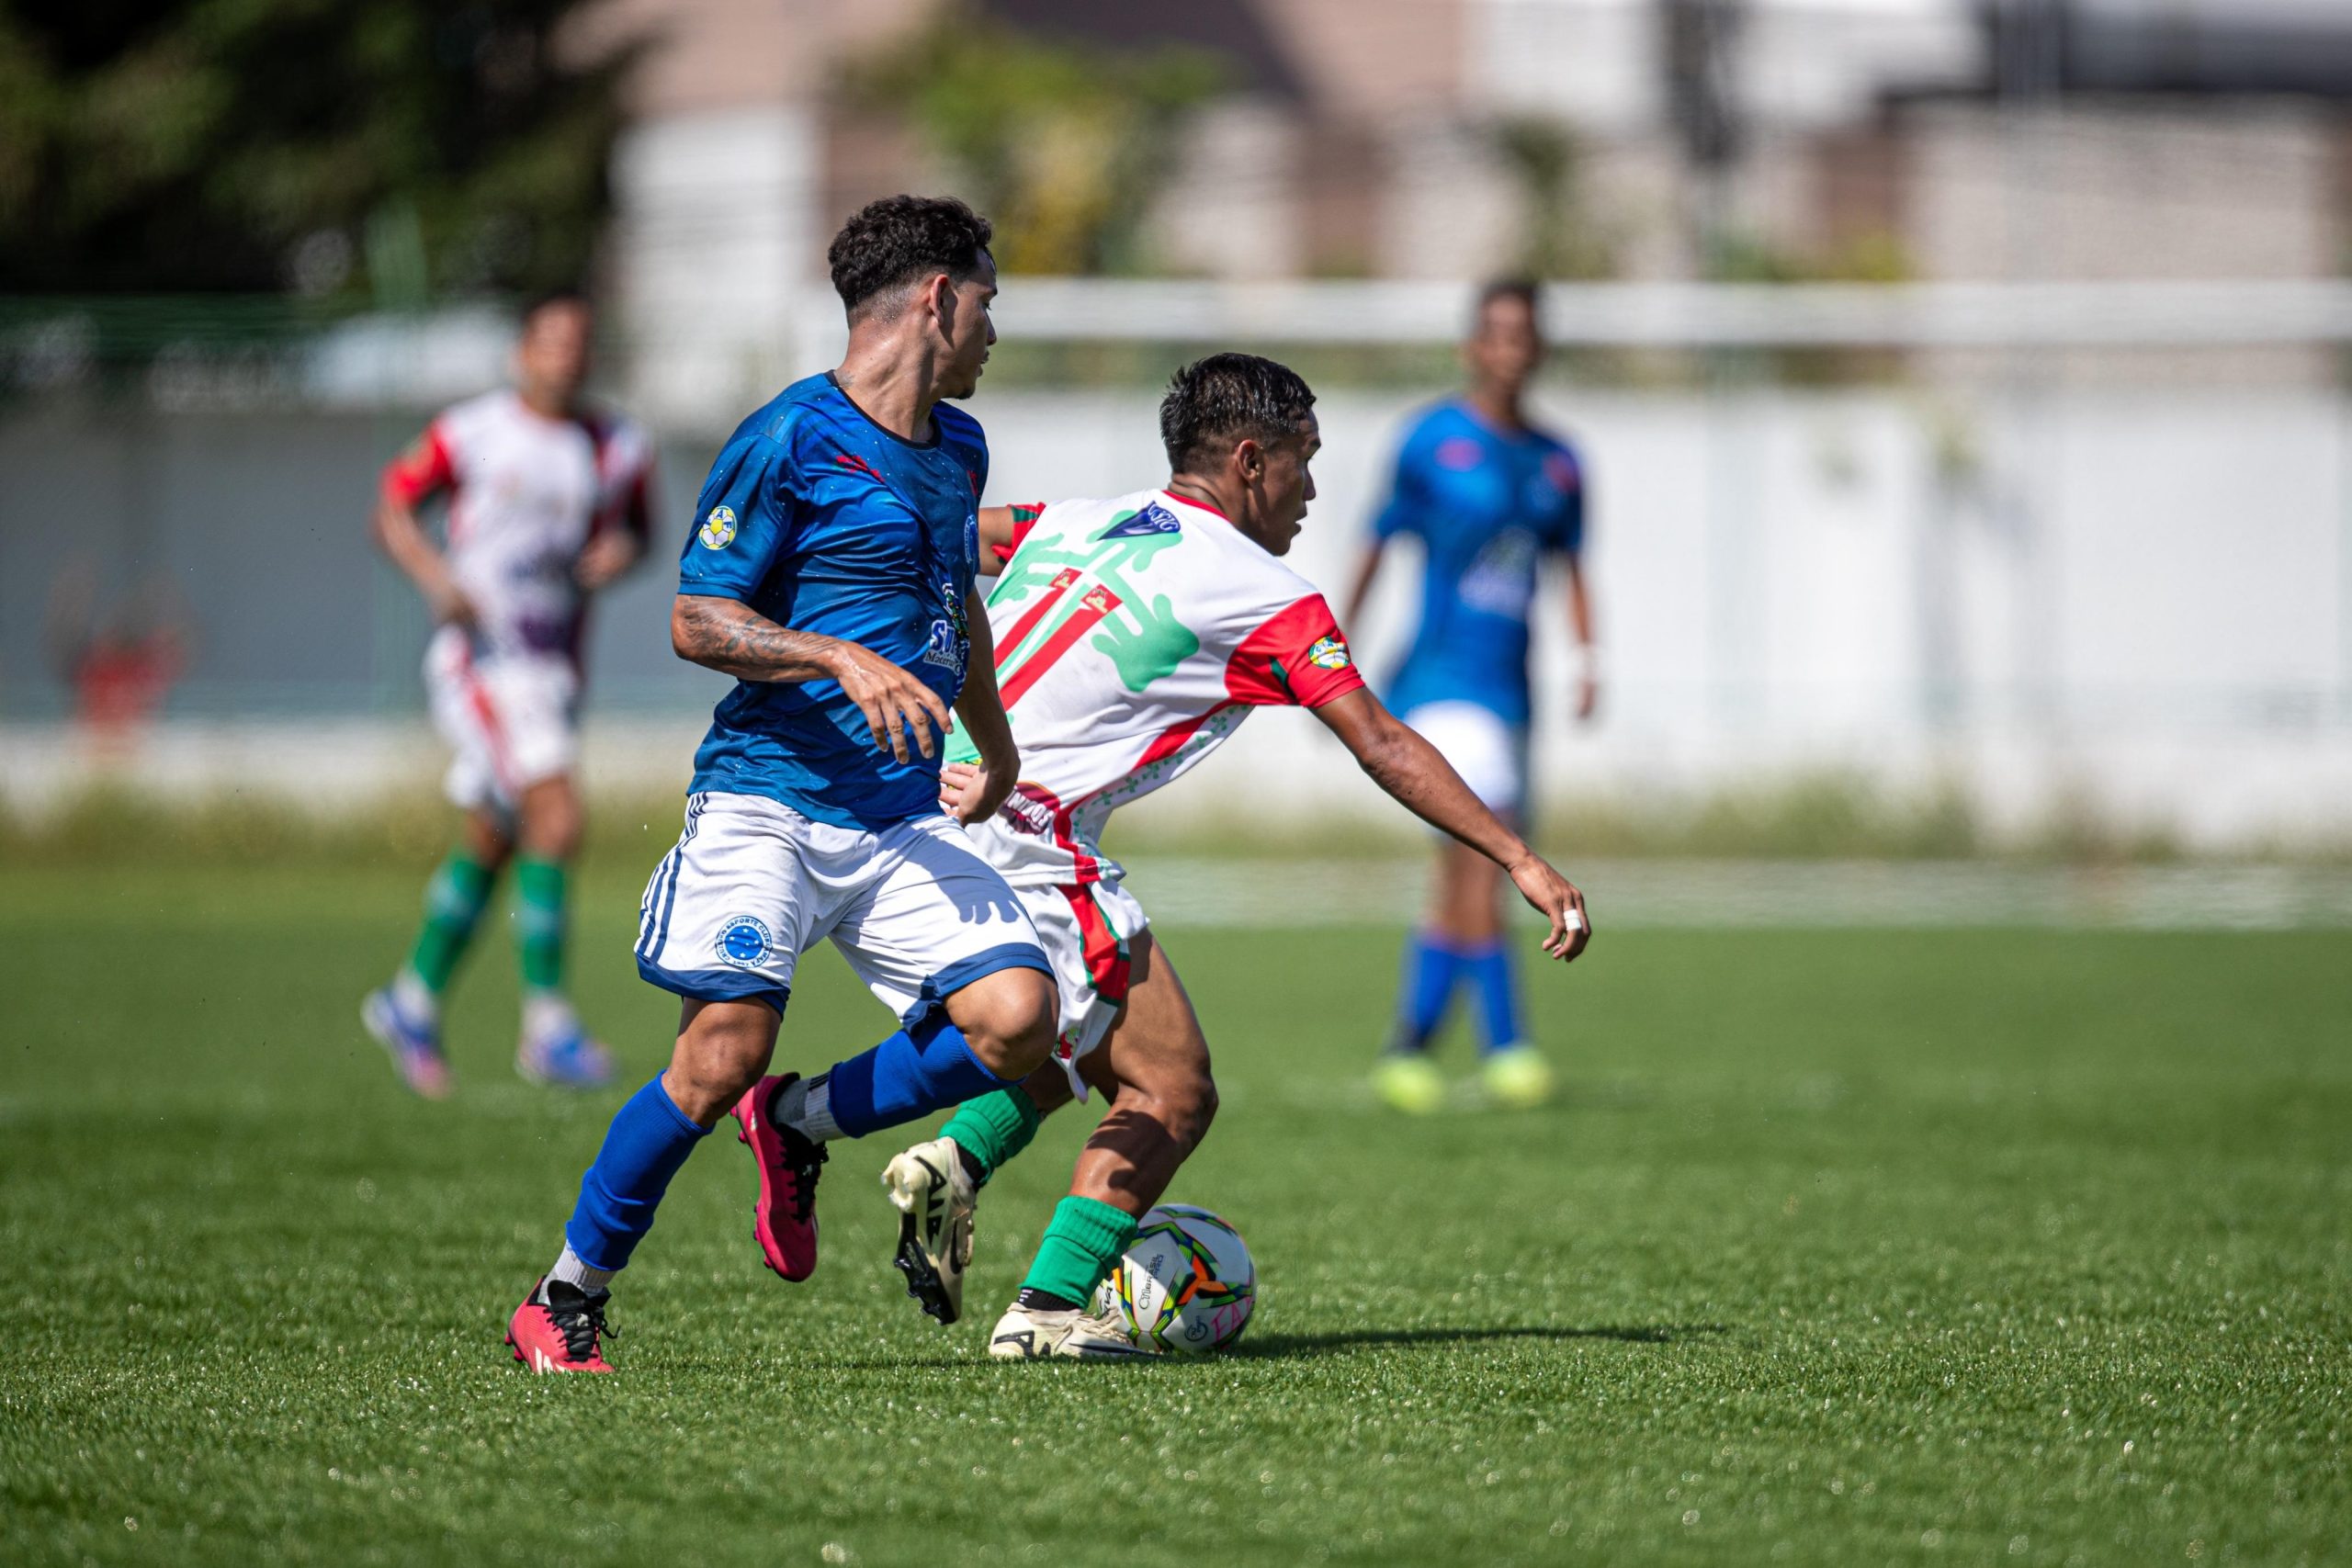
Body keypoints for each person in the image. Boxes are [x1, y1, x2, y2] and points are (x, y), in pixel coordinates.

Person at [876, 353, 1594, 1360]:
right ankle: (1039, 1316)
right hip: (1030, 836)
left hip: (929, 806)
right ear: (1252, 462)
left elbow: (945, 539)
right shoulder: (1262, 591)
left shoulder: (1079, 518)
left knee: (1083, 1052)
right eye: (1303, 462)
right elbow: (1380, 741)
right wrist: (1518, 856)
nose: (1311, 491)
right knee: (1174, 1085)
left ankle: (954, 1159)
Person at [504, 195, 1060, 1375]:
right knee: (719, 1054)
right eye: (988, 304)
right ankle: (563, 1298)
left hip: (897, 814)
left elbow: (952, 606)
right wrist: (834, 654)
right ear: (935, 298)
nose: (993, 334)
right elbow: (695, 618)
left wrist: (996, 747)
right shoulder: (787, 436)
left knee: (1024, 1024)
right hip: (768, 801)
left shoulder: (960, 449)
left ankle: (800, 1126)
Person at [361, 291, 656, 1098]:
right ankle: (548, 1027)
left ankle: (411, 998)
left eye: (579, 342)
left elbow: (641, 530)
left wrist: (619, 554)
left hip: (555, 672)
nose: (565, 356)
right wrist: (434, 576)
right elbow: (392, 504)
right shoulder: (472, 431)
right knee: (554, 816)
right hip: (484, 661)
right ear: (521, 352)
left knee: (498, 831)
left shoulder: (616, 442)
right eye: (550, 341)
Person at [1341, 278, 1598, 1115]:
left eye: (1525, 334)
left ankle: (1408, 1046)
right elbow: (1379, 542)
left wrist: (1589, 656)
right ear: (1473, 347)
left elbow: (1570, 566)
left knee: (1467, 871)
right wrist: (1334, 653)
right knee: (1489, 858)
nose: (1511, 349)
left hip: (1511, 691)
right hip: (1441, 683)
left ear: (1541, 348)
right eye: (1497, 333)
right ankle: (1507, 1044)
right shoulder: (1431, 441)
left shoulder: (1559, 462)